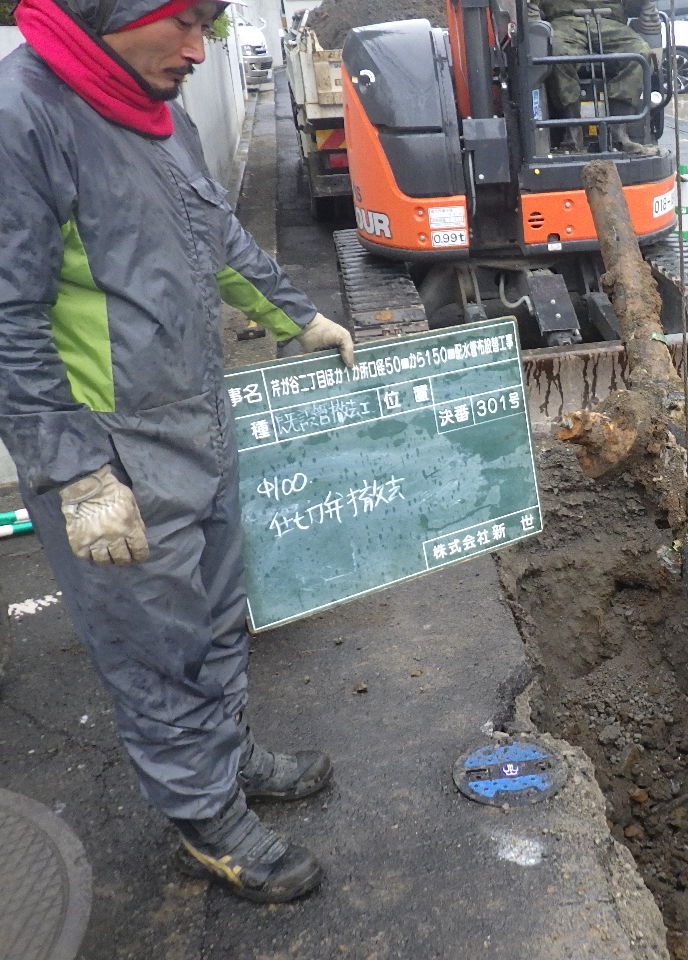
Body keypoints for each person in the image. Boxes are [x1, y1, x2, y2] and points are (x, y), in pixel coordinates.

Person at [0, 0, 356, 904]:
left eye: (211, 25)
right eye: (184, 24)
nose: (202, 51)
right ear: (110, 13)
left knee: (217, 613)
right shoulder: (24, 115)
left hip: (197, 411)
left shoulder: (155, 107)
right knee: (156, 646)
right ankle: (207, 820)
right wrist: (75, 470)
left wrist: (296, 313)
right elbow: (8, 318)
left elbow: (217, 235)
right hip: (112, 449)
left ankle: (228, 756)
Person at [532, 0, 659, 155]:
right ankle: (573, 136)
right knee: (557, 53)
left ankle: (618, 135)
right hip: (564, 21)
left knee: (639, 52)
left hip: (610, 22)